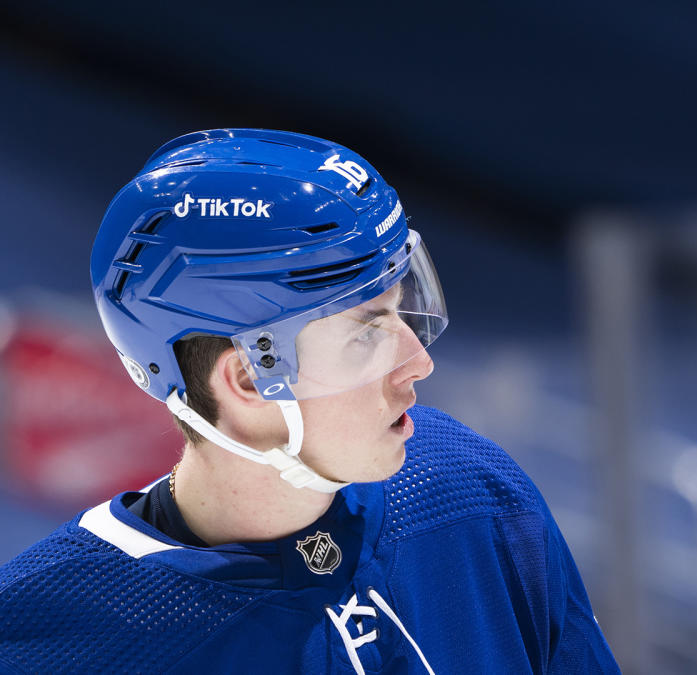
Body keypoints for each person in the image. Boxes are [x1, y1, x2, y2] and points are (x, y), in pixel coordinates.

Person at [0, 129, 619, 675]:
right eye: (365, 334)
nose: (418, 362)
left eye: (401, 309)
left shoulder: (465, 484)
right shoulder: (47, 639)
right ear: (247, 379)